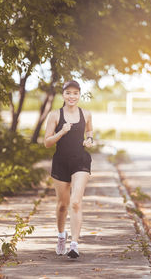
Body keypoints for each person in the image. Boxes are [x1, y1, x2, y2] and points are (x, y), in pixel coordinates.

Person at [44, 80, 93, 258]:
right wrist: (62, 132)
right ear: (63, 95)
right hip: (61, 162)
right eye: (68, 93)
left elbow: (90, 132)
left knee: (75, 202)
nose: (72, 96)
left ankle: (74, 245)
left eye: (75, 93)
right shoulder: (55, 115)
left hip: (81, 161)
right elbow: (47, 143)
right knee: (62, 205)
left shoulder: (86, 114)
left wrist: (90, 140)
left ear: (79, 95)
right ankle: (61, 237)